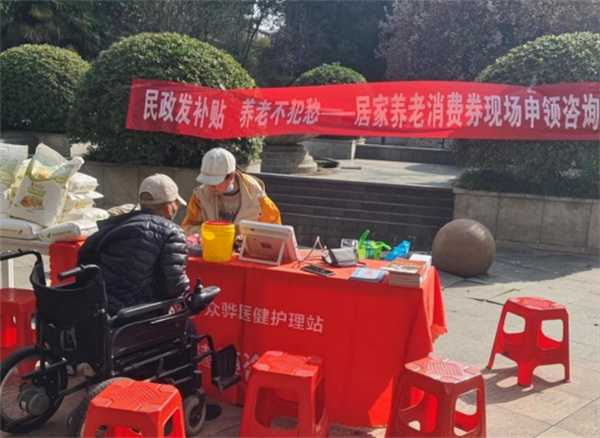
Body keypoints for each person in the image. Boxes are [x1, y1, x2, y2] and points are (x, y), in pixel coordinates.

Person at [78, 173, 189, 315]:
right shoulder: (172, 232)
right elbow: (176, 285)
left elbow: (84, 258)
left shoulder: (116, 223)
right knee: (187, 324)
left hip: (98, 308)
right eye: (176, 203)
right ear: (169, 207)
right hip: (137, 313)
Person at [181, 147, 281, 235]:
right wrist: (211, 232)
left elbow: (275, 231)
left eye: (215, 182)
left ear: (231, 176)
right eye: (207, 181)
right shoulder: (199, 196)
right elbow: (186, 228)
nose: (210, 187)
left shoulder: (257, 197)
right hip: (212, 247)